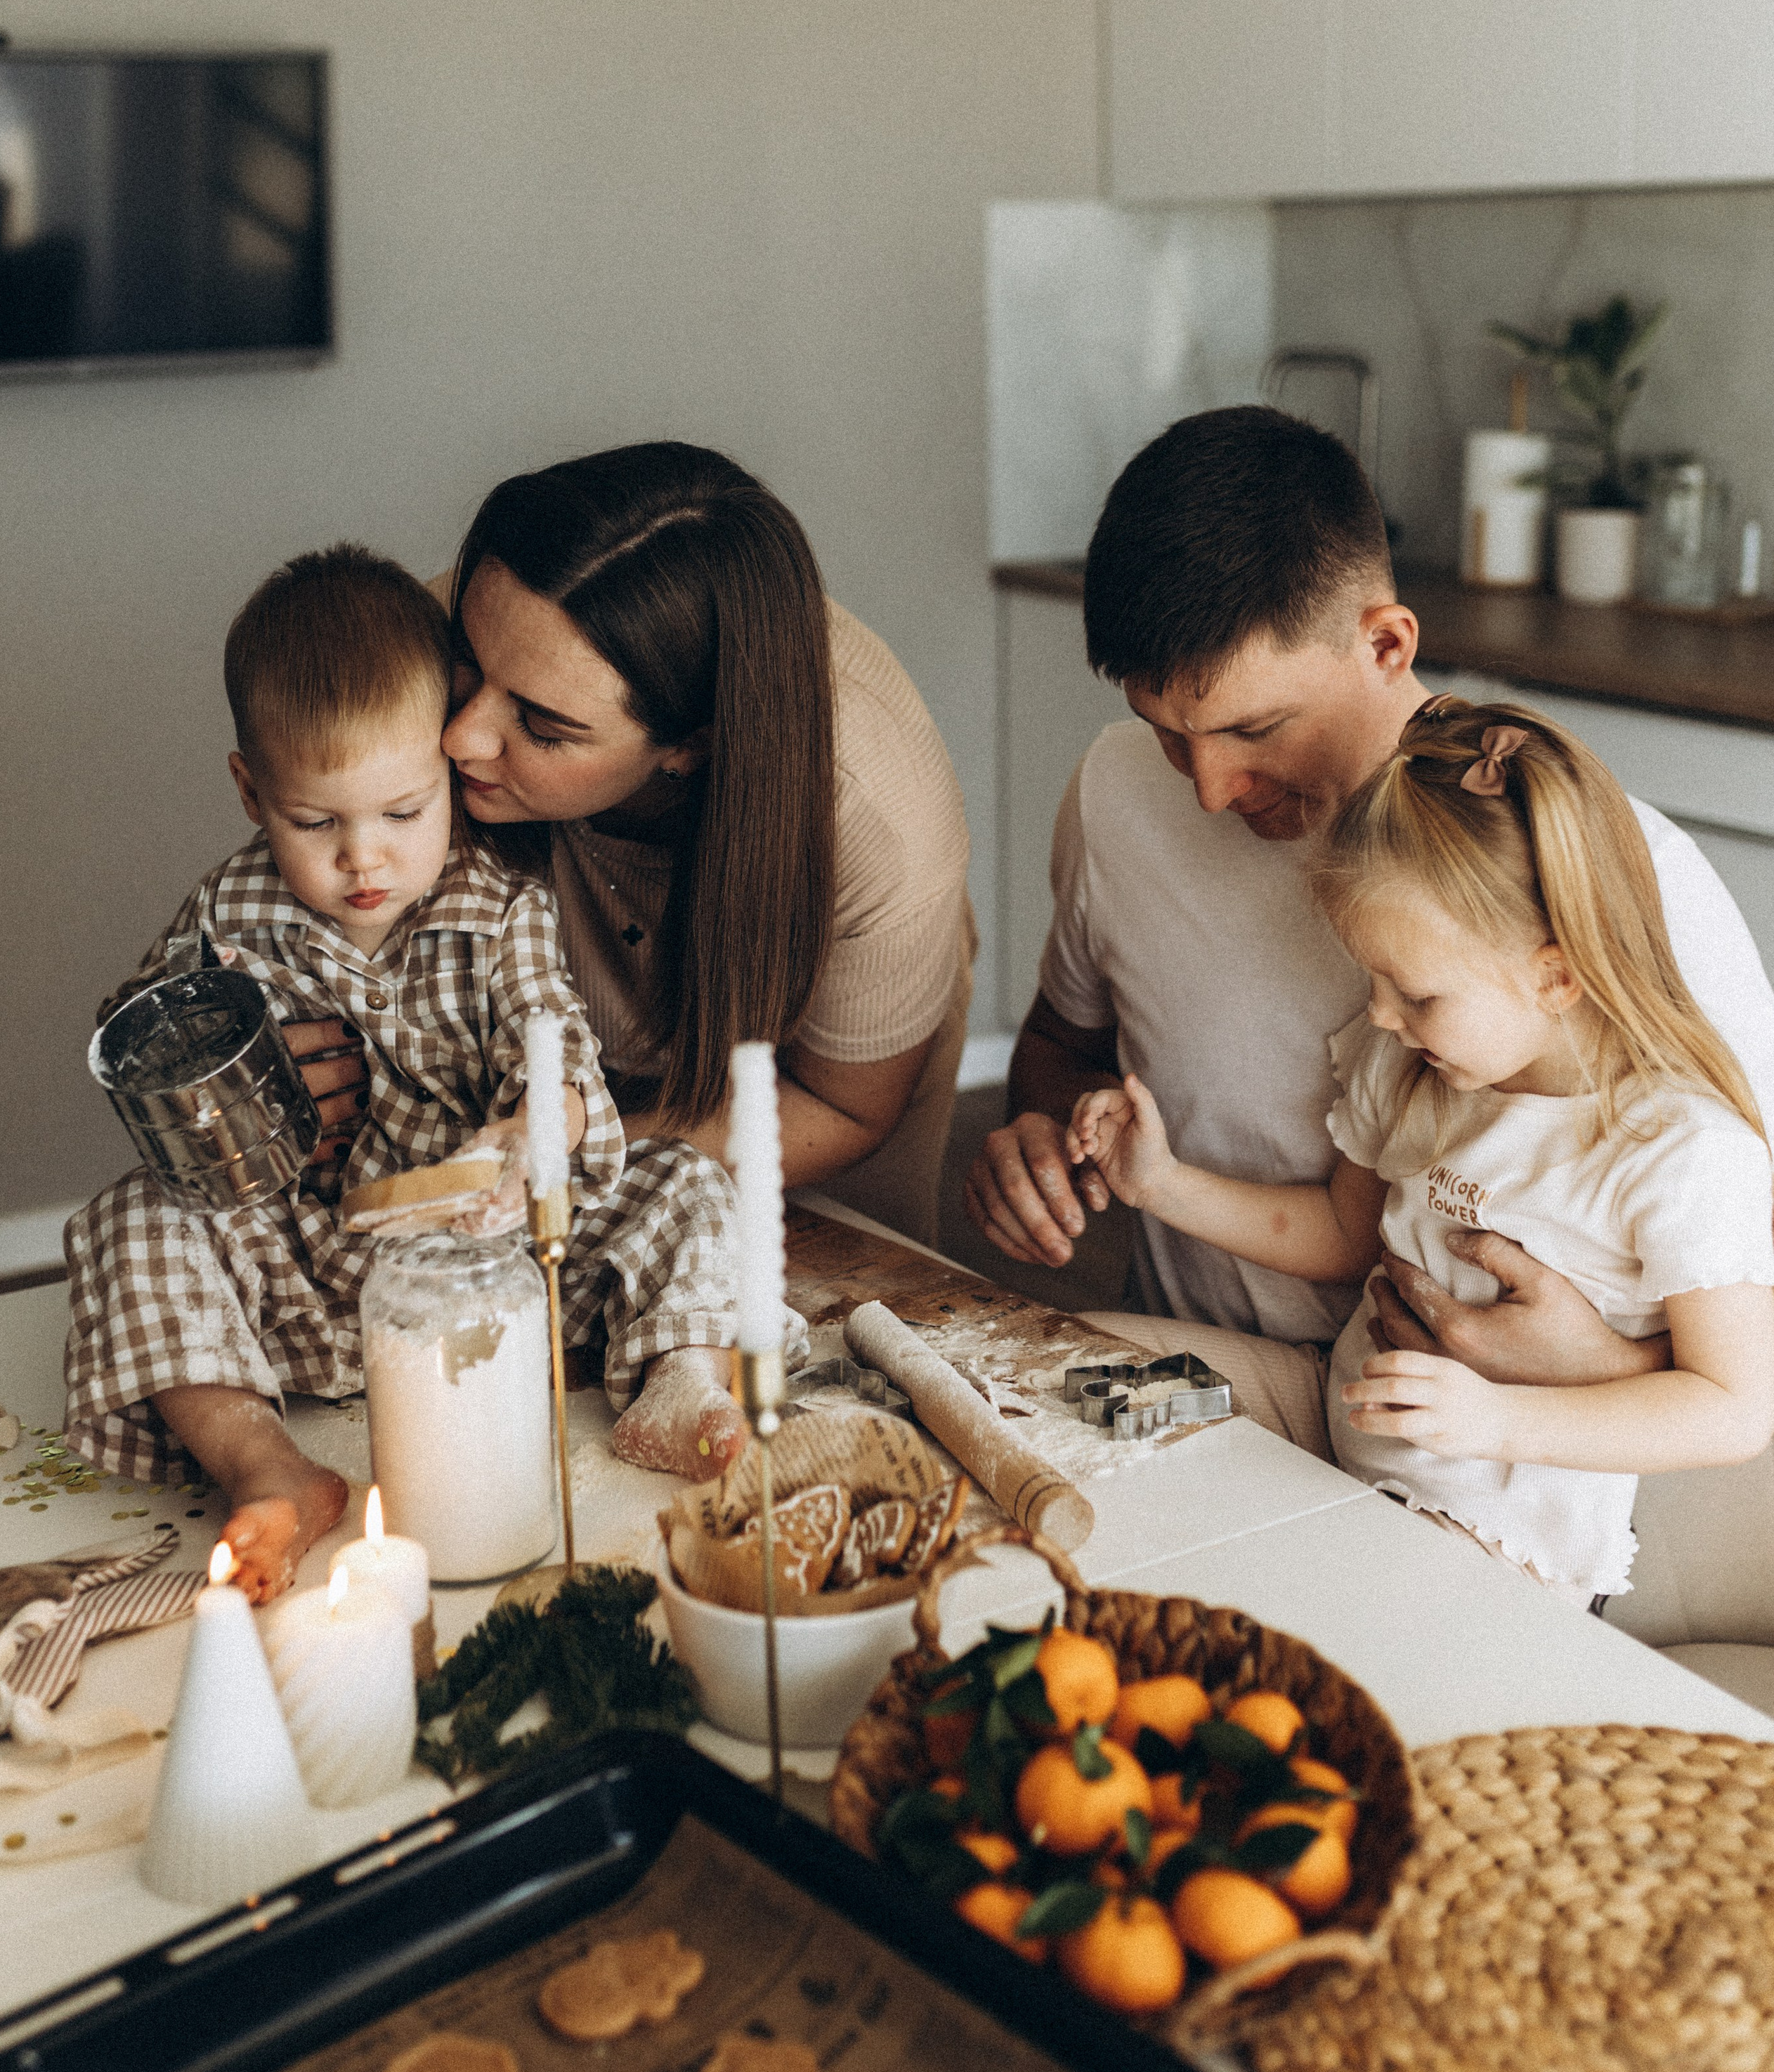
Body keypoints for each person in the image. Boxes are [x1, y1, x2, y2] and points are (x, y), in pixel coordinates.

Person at [964, 407, 1774, 1453]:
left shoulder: (1616, 879)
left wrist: (1602, 1371)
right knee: (977, 1418)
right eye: (1171, 736)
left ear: (1387, 641)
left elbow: (1741, 1316)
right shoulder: (1116, 793)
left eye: (1255, 730)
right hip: (1217, 1375)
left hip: (1502, 1463)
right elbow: (1062, 1049)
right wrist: (1044, 1141)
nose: (1209, 791)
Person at [64, 546, 745, 1601]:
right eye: (316, 822)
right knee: (130, 1221)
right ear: (252, 791)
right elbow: (139, 1041)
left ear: (449, 773)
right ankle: (268, 1467)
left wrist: (534, 1127)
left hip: (488, 1262)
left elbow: (549, 1031)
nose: (364, 859)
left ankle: (682, 1378)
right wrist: (221, 1080)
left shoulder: (496, 904)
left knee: (689, 1182)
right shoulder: (231, 914)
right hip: (302, 1267)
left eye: (402, 812)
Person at [1069, 700, 1774, 1603]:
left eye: (1414, 992)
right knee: (1071, 1373)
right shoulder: (1414, 1066)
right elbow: (1338, 1234)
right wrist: (1161, 1184)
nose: (1379, 1014)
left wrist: (1495, 1416)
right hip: (1328, 1422)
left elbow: (1732, 1410)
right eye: (1372, 978)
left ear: (1554, 975)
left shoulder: (1679, 1151)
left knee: (1316, 1608)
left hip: (1490, 1532)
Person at [436, 441, 974, 1476]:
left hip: (808, 1096)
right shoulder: (485, 636)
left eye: (540, 725)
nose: (459, 736)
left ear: (692, 744)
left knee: (812, 1369)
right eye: (469, 664)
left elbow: (846, 1108)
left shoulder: (880, 820)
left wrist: (590, 1152)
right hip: (548, 1079)